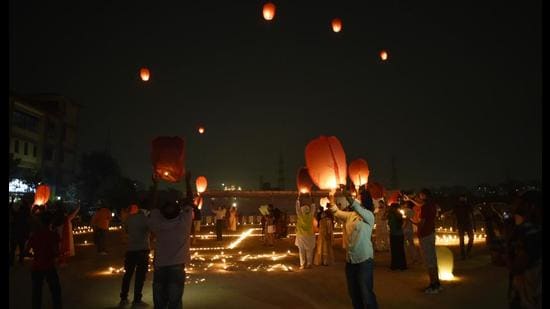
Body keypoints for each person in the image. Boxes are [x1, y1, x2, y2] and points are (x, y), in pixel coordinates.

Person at [147, 171, 193, 309]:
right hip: (177, 267)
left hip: (160, 266)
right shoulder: (184, 222)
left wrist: (155, 185)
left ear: (161, 212)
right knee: (175, 302)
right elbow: (190, 201)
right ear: (178, 211)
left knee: (159, 303)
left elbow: (152, 206)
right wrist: (187, 182)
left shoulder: (157, 223)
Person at [329, 187, 378, 309]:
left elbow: (355, 205)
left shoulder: (369, 216)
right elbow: (335, 211)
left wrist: (347, 195)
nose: (356, 198)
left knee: (366, 293)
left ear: (364, 200)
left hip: (364, 260)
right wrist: (331, 197)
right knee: (354, 293)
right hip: (350, 260)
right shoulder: (350, 215)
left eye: (359, 197)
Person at [506, 191, 541, 309]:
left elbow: (518, 266)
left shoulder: (528, 232)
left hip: (528, 296)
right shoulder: (531, 230)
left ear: (530, 206)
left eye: (519, 203)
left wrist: (509, 257)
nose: (514, 206)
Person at [405, 189, 441, 294]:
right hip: (431, 233)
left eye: (420, 195)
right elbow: (420, 205)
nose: (419, 197)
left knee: (429, 260)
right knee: (433, 259)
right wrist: (410, 200)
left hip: (425, 235)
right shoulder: (432, 205)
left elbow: (421, 223)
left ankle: (433, 285)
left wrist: (411, 220)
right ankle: (437, 284)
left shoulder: (425, 207)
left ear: (424, 195)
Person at [27, 212, 62, 309]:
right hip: (49, 265)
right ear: (50, 222)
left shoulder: (34, 235)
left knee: (36, 291)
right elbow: (56, 251)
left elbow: (27, 250)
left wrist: (35, 253)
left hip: (36, 266)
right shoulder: (53, 235)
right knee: (55, 290)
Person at [118, 204, 150, 306]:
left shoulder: (129, 219)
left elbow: (126, 231)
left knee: (128, 274)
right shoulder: (145, 219)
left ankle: (123, 297)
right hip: (143, 249)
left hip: (131, 249)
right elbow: (151, 229)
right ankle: (137, 299)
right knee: (140, 276)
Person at [295, 195, 316, 269]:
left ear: (302, 210)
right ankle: (309, 264)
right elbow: (313, 209)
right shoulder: (310, 216)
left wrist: (298, 200)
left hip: (301, 236)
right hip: (310, 236)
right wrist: (312, 201)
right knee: (309, 250)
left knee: (301, 251)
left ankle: (302, 264)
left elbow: (297, 209)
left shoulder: (300, 216)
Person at [452, 195, 476, 260]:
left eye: (464, 198)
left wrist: (474, 226)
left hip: (468, 224)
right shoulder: (457, 206)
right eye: (462, 198)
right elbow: (454, 216)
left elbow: (473, 215)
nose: (463, 200)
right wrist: (453, 226)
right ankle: (463, 254)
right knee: (462, 239)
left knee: (470, 238)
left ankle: (467, 251)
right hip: (461, 224)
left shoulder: (468, 205)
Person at [10, 199, 31, 266]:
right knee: (21, 248)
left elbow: (11, 210)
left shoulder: (16, 215)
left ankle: (11, 261)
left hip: (15, 234)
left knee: (13, 248)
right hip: (22, 234)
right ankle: (20, 260)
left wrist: (12, 202)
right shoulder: (26, 217)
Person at [387, 203, 407, 270]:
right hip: (400, 234)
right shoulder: (399, 214)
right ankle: (402, 265)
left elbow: (384, 218)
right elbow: (402, 224)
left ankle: (395, 265)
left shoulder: (391, 215)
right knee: (400, 250)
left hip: (394, 234)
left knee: (394, 250)